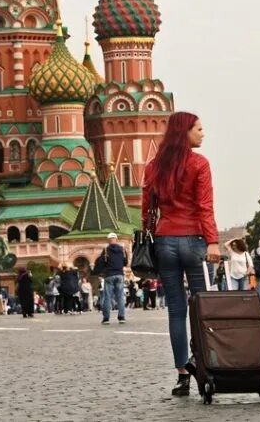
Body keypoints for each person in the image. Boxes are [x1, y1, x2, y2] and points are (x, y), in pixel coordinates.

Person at [141, 111, 220, 397]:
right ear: (184, 132)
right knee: (201, 309)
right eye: (198, 129)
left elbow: (147, 209)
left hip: (165, 242)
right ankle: (204, 364)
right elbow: (204, 207)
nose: (203, 133)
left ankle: (182, 376)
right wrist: (213, 241)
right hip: (195, 241)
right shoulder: (200, 164)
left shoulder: (154, 167)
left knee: (176, 311)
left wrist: (147, 235)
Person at [100, 233, 129, 325]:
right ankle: (121, 317)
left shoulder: (105, 250)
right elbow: (125, 262)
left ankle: (106, 318)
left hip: (109, 275)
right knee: (120, 296)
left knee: (107, 297)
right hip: (119, 274)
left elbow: (102, 262)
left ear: (108, 240)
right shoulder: (123, 250)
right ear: (116, 239)